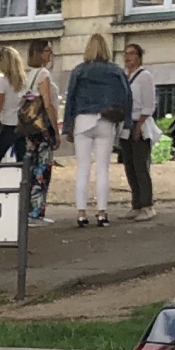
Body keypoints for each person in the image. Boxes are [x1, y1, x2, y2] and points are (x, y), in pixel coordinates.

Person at [62, 35, 128, 228]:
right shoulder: (115, 70)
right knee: (103, 169)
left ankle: (81, 213)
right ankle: (102, 213)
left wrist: (68, 127)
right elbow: (126, 95)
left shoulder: (79, 71)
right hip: (106, 120)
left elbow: (71, 99)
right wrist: (126, 121)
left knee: (83, 169)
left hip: (83, 119)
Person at [18, 40, 60, 221]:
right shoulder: (43, 74)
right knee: (43, 169)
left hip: (30, 128)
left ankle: (27, 209)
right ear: (39, 53)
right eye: (47, 51)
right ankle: (36, 211)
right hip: (42, 127)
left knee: (31, 166)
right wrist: (55, 130)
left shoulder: (29, 75)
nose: (50, 54)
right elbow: (48, 103)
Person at [120, 42, 158, 220]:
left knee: (141, 165)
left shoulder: (145, 77)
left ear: (139, 57)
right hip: (126, 124)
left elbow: (149, 104)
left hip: (139, 123)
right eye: (125, 54)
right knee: (130, 166)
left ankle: (147, 204)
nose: (128, 58)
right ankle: (136, 202)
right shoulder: (125, 77)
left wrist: (139, 125)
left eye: (132, 54)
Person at [0, 45, 26, 163]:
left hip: (8, 124)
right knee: (21, 159)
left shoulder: (2, 82)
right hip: (21, 124)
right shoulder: (23, 81)